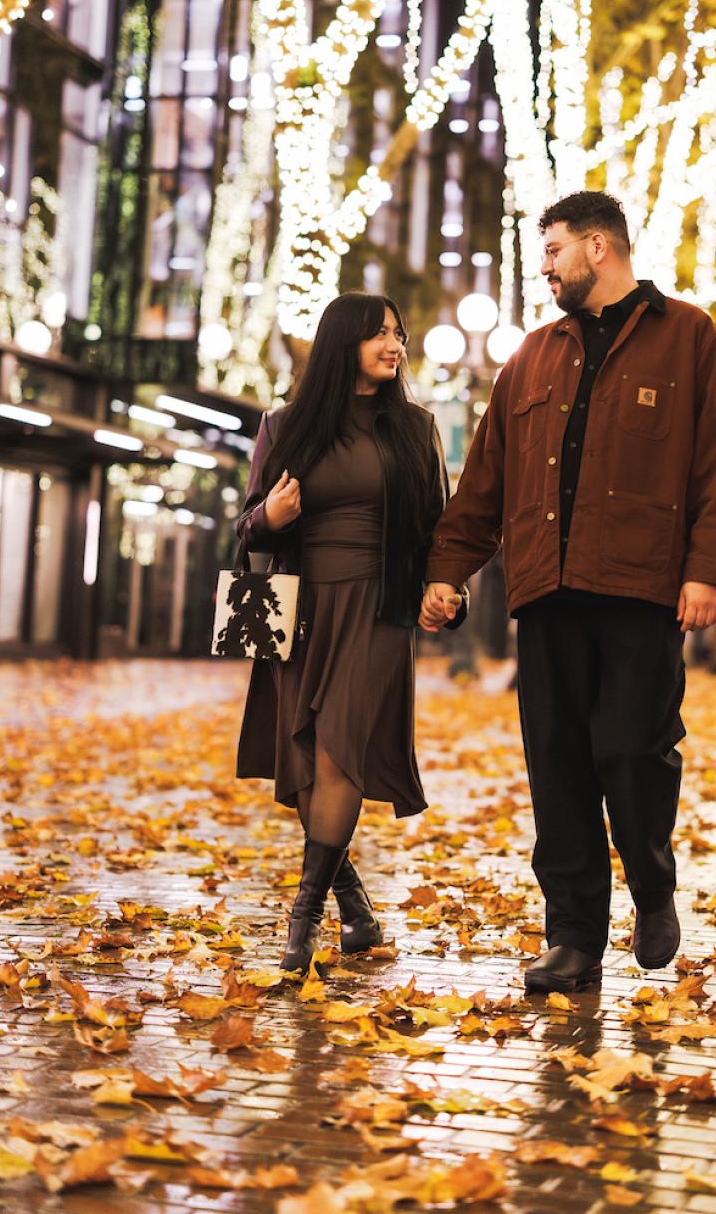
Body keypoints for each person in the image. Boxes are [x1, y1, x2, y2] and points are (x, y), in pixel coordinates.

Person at [421, 190, 716, 993]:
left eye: (555, 250)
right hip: (546, 592)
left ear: (599, 247)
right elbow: (486, 480)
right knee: (557, 766)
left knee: (631, 751)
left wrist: (706, 569)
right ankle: (572, 937)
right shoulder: (530, 356)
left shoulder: (690, 338)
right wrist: (445, 569)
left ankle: (652, 883)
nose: (545, 267)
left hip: (640, 592)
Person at [235, 293, 466, 973]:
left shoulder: (414, 428)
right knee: (305, 758)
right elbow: (245, 526)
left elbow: (439, 529)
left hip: (377, 608)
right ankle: (356, 910)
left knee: (338, 755)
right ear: (344, 343)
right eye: (379, 335)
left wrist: (450, 587)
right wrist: (270, 515)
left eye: (399, 333)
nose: (394, 345)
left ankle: (302, 919)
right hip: (299, 611)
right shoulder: (286, 426)